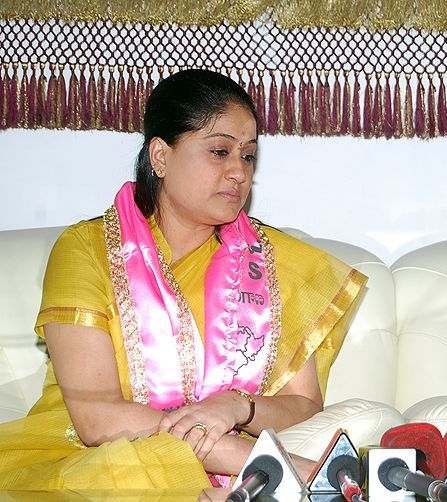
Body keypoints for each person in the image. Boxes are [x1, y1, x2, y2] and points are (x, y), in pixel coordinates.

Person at [0, 69, 367, 493]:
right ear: (160, 156)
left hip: (235, 475)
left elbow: (302, 406)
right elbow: (97, 418)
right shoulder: (86, 251)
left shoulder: (274, 261)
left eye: (248, 156)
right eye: (219, 151)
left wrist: (238, 407)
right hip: (97, 467)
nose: (239, 173)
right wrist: (266, 464)